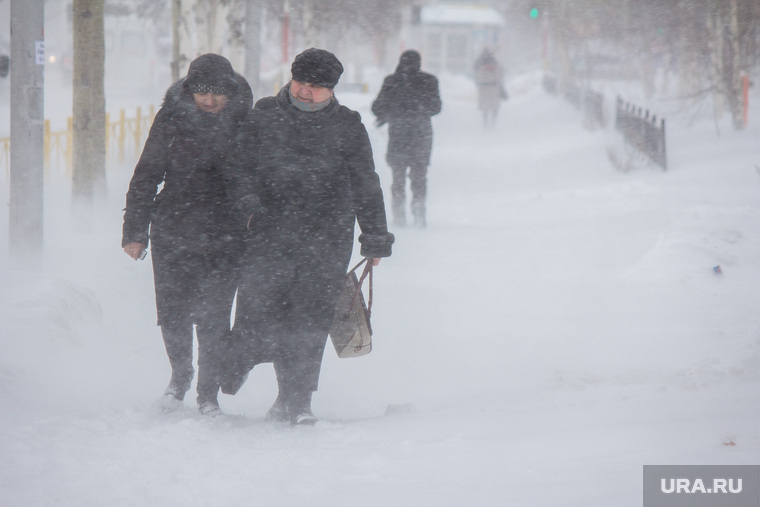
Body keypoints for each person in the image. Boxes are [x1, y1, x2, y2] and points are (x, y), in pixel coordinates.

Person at [222, 48, 394, 425]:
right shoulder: (264, 115)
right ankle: (242, 359)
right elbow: (238, 169)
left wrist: (376, 236)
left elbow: (366, 183)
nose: (305, 91)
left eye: (316, 87)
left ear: (332, 89)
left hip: (326, 237)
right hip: (269, 233)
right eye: (301, 82)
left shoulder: (347, 126)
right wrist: (249, 205)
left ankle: (296, 401)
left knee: (309, 321)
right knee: (259, 312)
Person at [121, 53, 253, 416]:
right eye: (201, 93)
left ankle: (207, 393)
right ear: (189, 91)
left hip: (226, 235)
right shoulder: (171, 119)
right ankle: (180, 376)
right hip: (174, 229)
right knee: (174, 313)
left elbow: (260, 180)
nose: (209, 101)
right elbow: (147, 174)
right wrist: (134, 231)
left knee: (214, 316)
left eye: (218, 94)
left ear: (230, 91)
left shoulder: (247, 122)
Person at [371, 50, 441, 228]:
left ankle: (399, 214)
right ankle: (419, 209)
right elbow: (436, 107)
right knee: (419, 177)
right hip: (421, 135)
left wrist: (394, 112)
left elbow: (377, 107)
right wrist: (418, 109)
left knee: (398, 179)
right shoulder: (429, 81)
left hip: (398, 135)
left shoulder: (392, 81)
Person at [474, 49, 507, 128]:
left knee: (494, 108)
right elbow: (478, 79)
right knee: (486, 108)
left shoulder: (497, 69)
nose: (489, 66)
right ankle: (486, 124)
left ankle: (492, 123)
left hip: (493, 90)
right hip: (486, 90)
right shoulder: (482, 70)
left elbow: (500, 77)